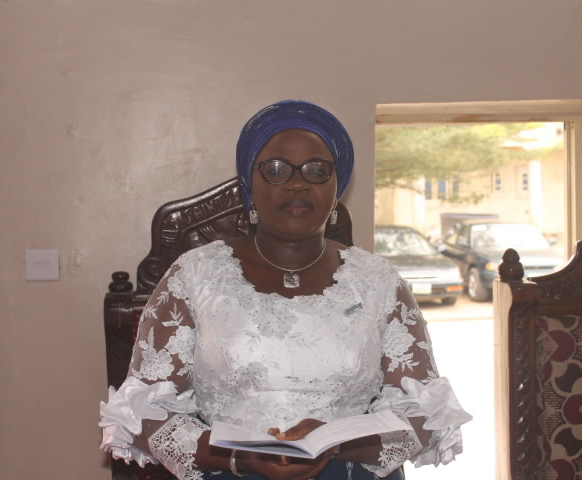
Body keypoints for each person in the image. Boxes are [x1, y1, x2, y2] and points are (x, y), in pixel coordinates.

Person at [99, 100, 471, 480]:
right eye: (276, 169)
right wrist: (241, 457)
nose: (297, 183)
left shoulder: (379, 282)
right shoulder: (193, 277)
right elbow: (142, 415)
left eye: (317, 170)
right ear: (251, 184)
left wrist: (334, 443)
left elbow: (426, 414)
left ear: (337, 187)